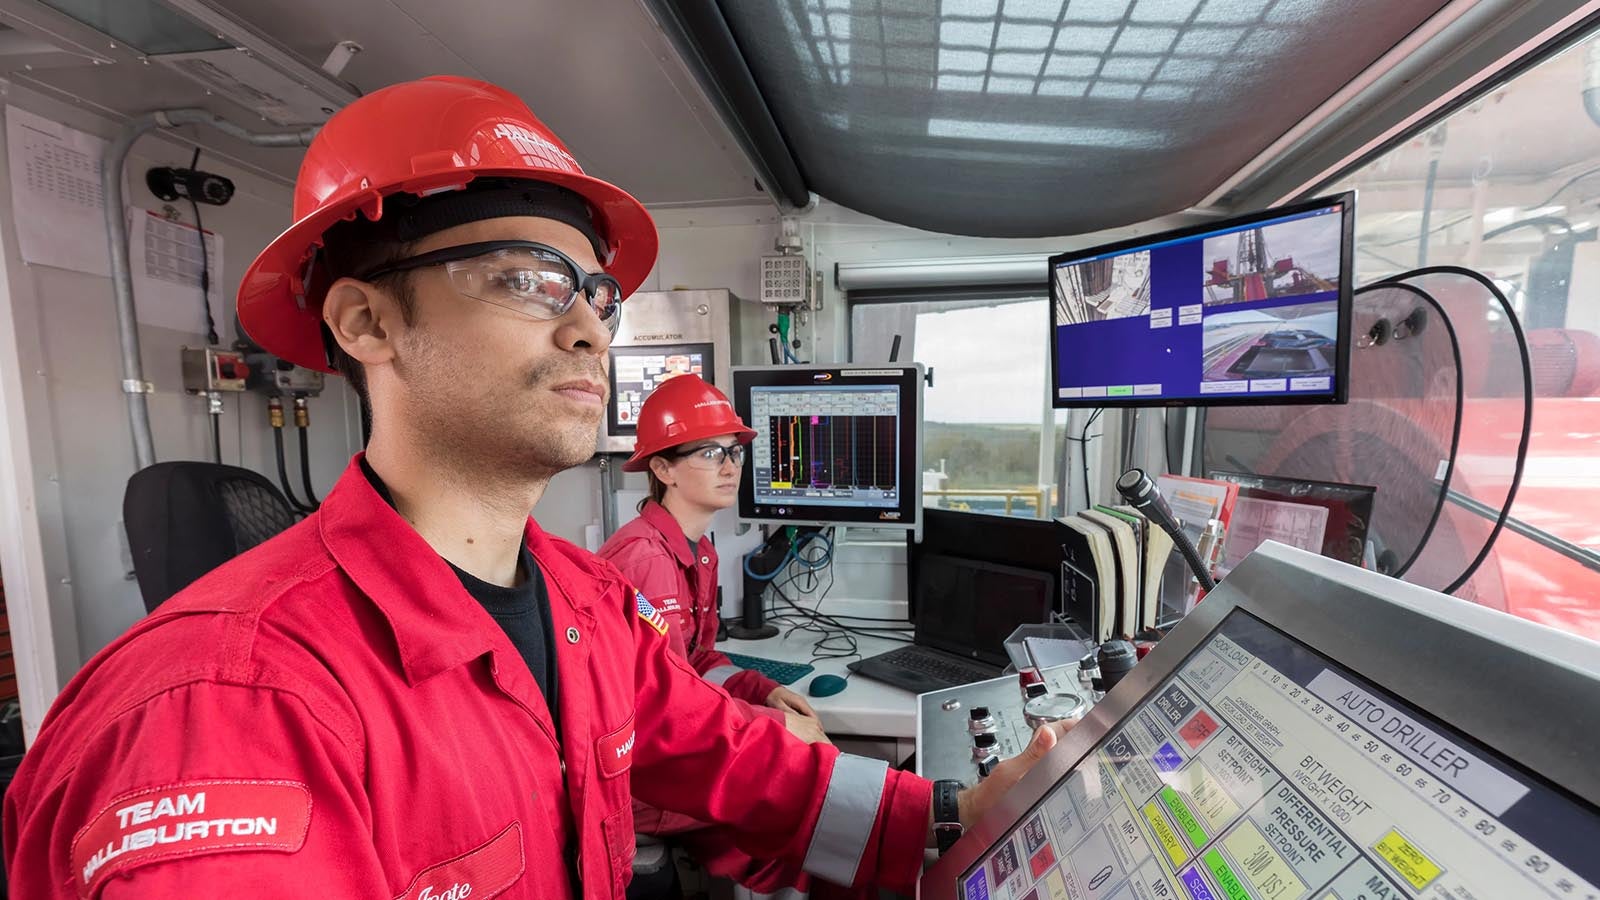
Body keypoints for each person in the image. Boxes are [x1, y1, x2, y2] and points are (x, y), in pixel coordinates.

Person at [2, 76, 1071, 899]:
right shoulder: (225, 711)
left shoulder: (584, 606)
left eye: (594, 294)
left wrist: (945, 812)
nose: (589, 328)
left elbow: (731, 760)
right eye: (524, 279)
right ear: (368, 324)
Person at [598, 374, 843, 897]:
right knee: (811, 794)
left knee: (816, 797)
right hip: (646, 779)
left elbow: (698, 658)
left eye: (733, 451)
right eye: (709, 453)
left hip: (678, 754)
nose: (731, 465)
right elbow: (661, 709)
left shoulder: (697, 550)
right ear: (662, 468)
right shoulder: (644, 562)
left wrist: (761, 690)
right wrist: (773, 726)